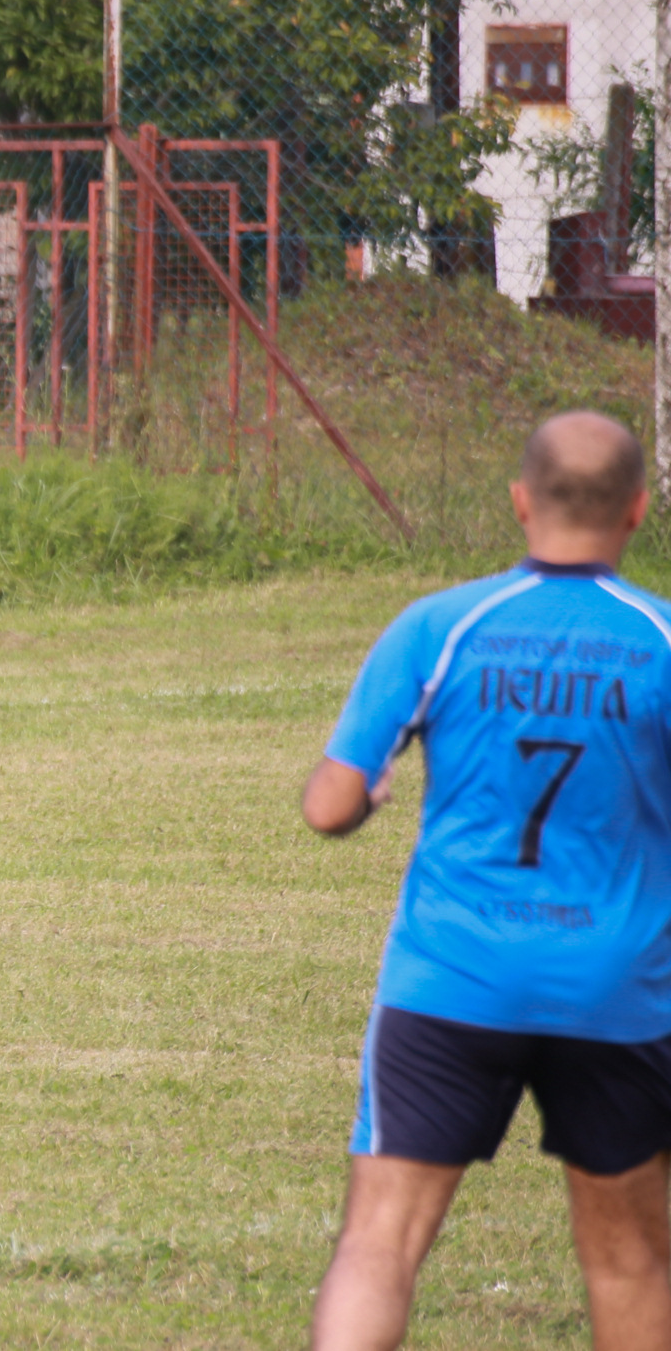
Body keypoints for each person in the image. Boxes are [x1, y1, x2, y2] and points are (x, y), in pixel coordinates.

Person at [302, 410, 671, 1350]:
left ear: (519, 502)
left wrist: (370, 793)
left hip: (453, 973)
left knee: (380, 1242)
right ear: (637, 508)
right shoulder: (661, 638)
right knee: (630, 1259)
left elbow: (329, 805)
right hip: (616, 987)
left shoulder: (440, 625)